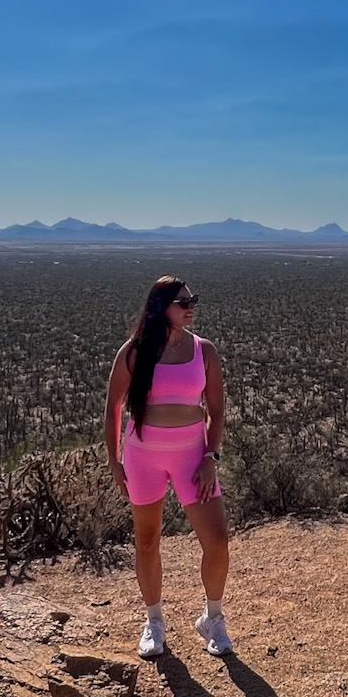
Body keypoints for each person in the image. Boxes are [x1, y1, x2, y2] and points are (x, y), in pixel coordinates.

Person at [105, 275, 232, 658]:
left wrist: (210, 457)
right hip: (142, 456)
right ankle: (154, 622)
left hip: (193, 457)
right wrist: (114, 460)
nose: (191, 307)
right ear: (162, 308)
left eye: (193, 300)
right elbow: (113, 407)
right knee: (147, 541)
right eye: (183, 302)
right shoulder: (134, 352)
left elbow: (216, 411)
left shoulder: (204, 351)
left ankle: (212, 618)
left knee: (217, 542)